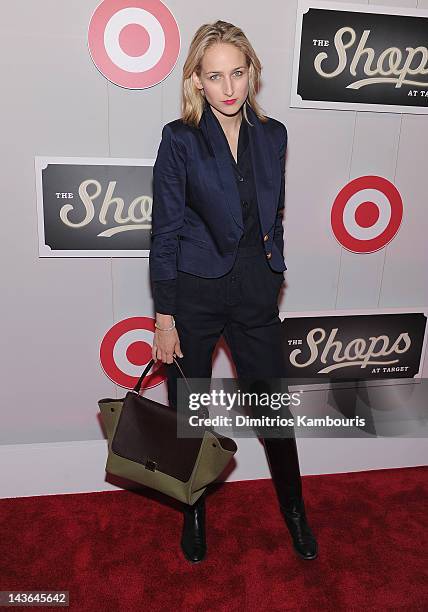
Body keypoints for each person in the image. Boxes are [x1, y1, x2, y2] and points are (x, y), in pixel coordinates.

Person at [149, 20, 317, 564]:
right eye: (215, 76)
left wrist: (273, 274)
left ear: (252, 73)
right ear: (197, 80)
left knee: (272, 411)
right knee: (189, 414)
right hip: (194, 292)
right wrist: (165, 314)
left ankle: (296, 512)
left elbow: (277, 210)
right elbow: (166, 230)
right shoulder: (181, 139)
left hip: (254, 291)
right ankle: (193, 513)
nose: (229, 87)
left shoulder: (274, 136)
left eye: (238, 73)